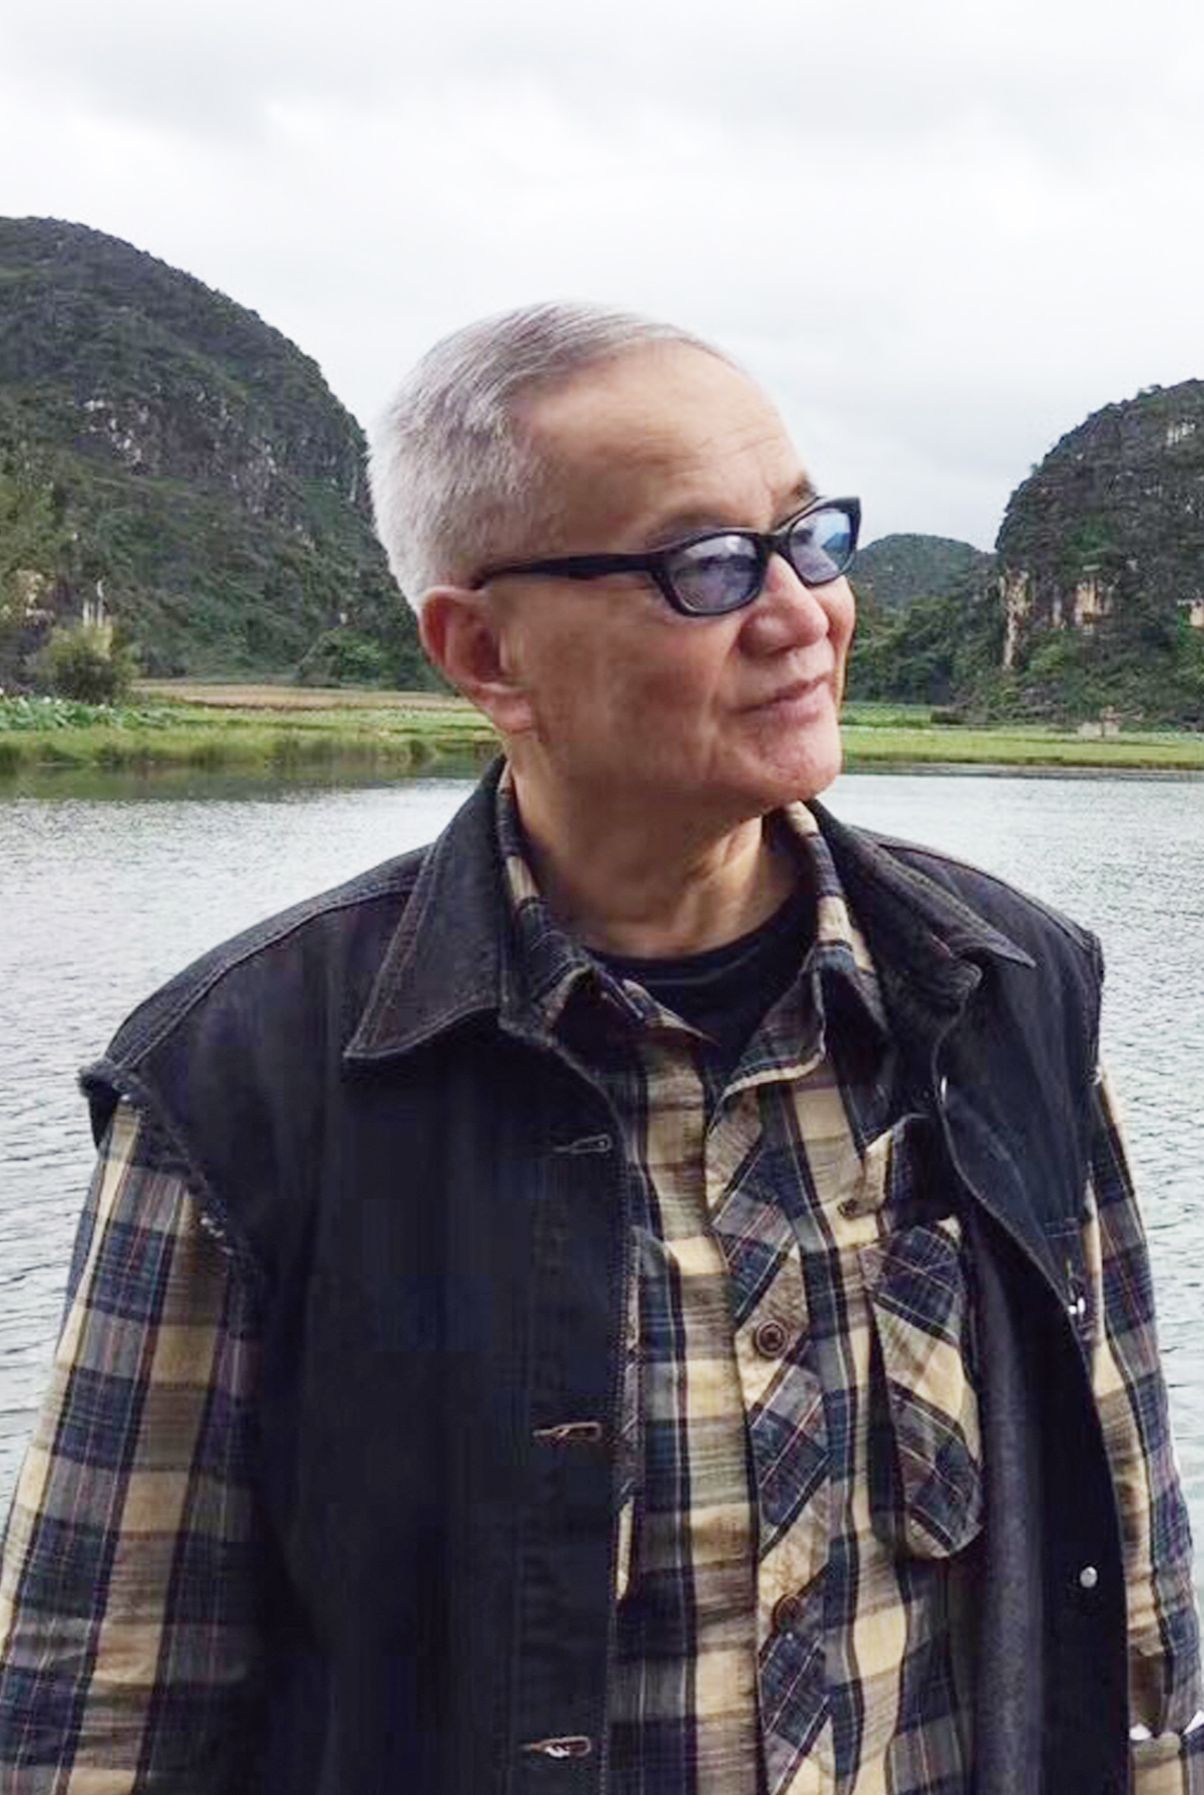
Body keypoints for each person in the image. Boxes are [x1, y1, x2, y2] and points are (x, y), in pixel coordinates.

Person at [0, 304, 1199, 1795]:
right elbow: (96, 1706)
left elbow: (1135, 1576)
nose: (803, 616)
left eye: (808, 539)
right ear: (485, 650)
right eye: (708, 567)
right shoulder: (242, 1082)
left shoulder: (1004, 990)